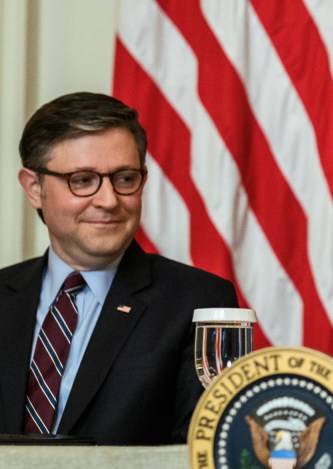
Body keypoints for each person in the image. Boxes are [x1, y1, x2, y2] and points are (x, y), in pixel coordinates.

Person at [0, 93, 238, 445]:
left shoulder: (200, 303)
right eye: (83, 180)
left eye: (125, 179)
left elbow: (205, 459)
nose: (109, 200)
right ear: (34, 188)